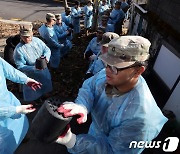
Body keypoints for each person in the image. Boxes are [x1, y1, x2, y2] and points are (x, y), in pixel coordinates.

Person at [55, 36, 168, 153]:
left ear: (138, 71)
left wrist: (72, 141)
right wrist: (82, 105)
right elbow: (90, 87)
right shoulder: (110, 75)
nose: (108, 70)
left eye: (116, 67)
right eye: (107, 64)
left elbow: (113, 151)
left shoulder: (140, 120)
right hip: (94, 134)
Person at [0, 57, 40, 154]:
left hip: (9, 101)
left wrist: (26, 80)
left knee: (20, 124)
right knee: (5, 142)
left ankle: (22, 136)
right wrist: (15, 110)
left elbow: (10, 71)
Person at [14, 24, 52, 102]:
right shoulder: (19, 50)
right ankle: (35, 102)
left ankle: (46, 97)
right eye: (24, 37)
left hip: (43, 70)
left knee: (46, 85)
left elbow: (46, 49)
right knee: (33, 92)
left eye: (28, 36)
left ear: (32, 34)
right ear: (20, 36)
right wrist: (34, 68)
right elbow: (20, 66)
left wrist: (46, 58)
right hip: (31, 74)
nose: (27, 38)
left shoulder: (37, 41)